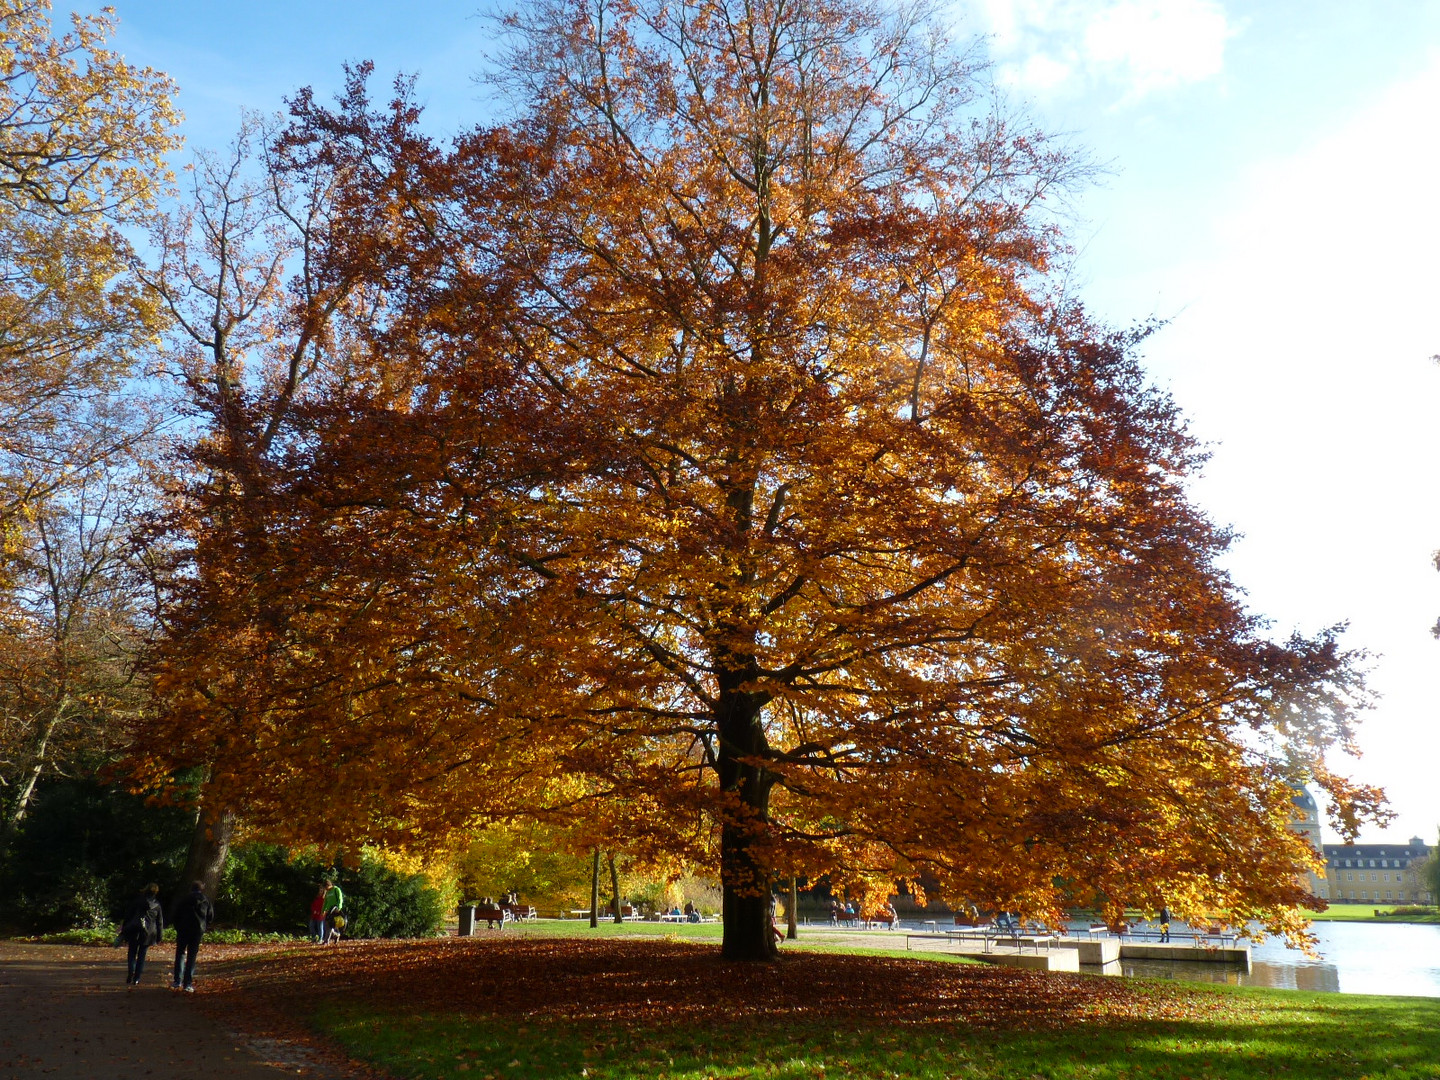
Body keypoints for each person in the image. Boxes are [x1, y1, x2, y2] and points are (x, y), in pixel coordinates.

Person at [171, 881, 214, 992]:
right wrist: (204, 926)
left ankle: (177, 980)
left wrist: (178, 927)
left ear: (191, 888)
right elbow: (210, 916)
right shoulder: (206, 900)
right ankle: (188, 983)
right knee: (192, 955)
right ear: (201, 889)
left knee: (180, 953)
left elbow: (176, 915)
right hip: (197, 930)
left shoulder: (184, 899)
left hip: (183, 929)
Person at [120, 883, 164, 986]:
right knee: (141, 955)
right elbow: (159, 922)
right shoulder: (157, 905)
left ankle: (131, 970)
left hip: (134, 930)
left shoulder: (136, 902)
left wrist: (124, 930)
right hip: (148, 933)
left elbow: (128, 916)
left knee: (132, 953)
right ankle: (137, 978)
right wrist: (159, 936)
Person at [321, 878, 345, 944]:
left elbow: (340, 899)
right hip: (328, 911)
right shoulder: (327, 892)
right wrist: (323, 910)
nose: (326, 889)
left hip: (335, 910)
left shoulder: (336, 889)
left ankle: (326, 941)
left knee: (330, 926)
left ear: (328, 885)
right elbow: (325, 902)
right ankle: (336, 935)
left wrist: (339, 907)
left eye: (326, 887)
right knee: (327, 926)